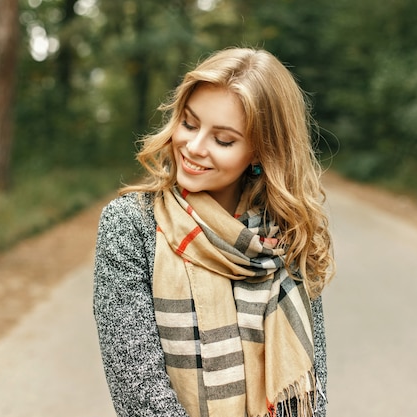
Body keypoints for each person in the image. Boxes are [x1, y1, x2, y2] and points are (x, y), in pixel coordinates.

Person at [93, 47, 334, 417]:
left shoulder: (286, 237)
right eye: (189, 123)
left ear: (260, 152)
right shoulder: (131, 224)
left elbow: (309, 388)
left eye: (223, 140)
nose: (194, 146)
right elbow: (137, 389)